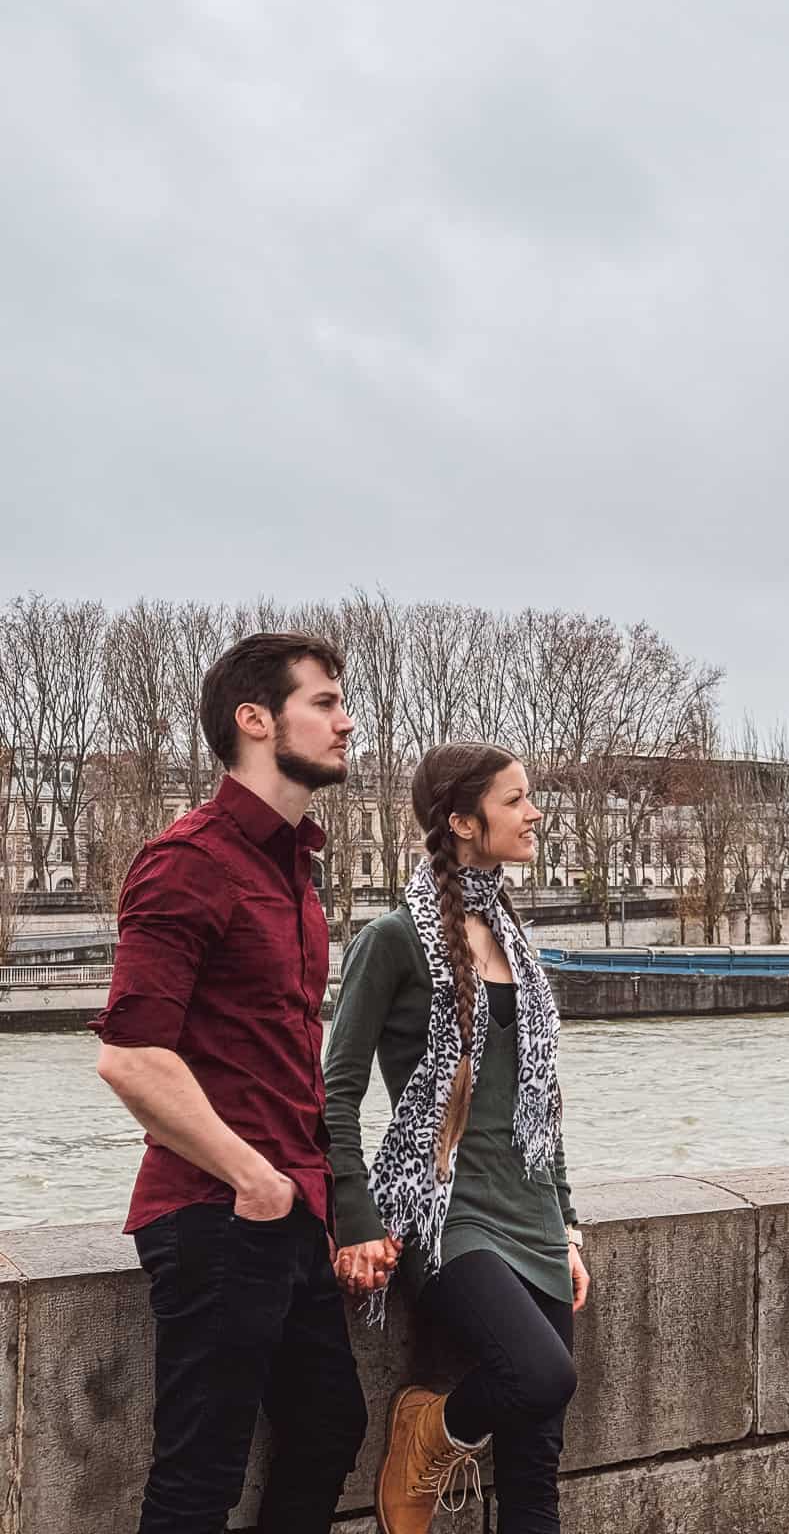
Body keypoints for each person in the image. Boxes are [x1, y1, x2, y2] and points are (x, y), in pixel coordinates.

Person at [91, 632, 368, 1534]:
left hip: (288, 1208)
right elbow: (132, 1057)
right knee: (198, 1475)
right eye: (324, 702)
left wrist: (315, 1201)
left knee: (331, 1426)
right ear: (256, 719)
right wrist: (254, 1180)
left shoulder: (294, 869)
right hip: (216, 1211)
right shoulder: (188, 862)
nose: (346, 721)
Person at [324, 741, 589, 1534]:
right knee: (543, 1377)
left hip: (533, 1215)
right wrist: (357, 1215)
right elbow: (334, 1091)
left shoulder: (514, 937)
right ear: (464, 822)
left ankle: (443, 1434)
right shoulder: (394, 941)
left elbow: (540, 1102)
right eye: (516, 800)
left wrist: (567, 1219)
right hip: (449, 1217)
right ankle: (429, 1432)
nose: (535, 812)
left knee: (538, 1471)